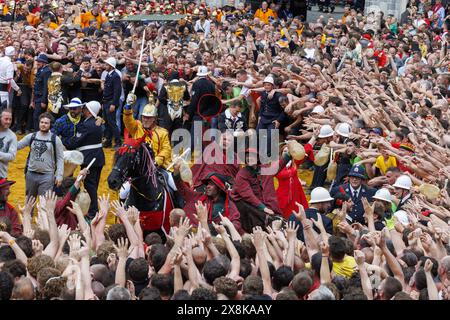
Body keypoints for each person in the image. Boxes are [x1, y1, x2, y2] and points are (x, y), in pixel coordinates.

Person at [66, 101, 105, 219]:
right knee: (94, 185)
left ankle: (93, 211)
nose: (82, 110)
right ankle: (93, 209)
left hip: (88, 159)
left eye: (85, 109)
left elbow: (76, 141)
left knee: (89, 186)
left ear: (89, 111)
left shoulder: (87, 125)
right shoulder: (98, 123)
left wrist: (64, 143)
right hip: (98, 158)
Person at [17, 112, 64, 197]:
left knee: (44, 203)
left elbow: (60, 158)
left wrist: (59, 175)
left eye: (46, 123)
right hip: (31, 173)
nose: (43, 125)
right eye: (42, 122)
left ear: (50, 125)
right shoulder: (32, 136)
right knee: (29, 201)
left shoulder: (55, 139)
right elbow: (17, 146)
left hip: (47, 175)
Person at [102, 57, 122, 148]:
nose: (105, 66)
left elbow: (117, 91)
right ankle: (108, 141)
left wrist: (114, 103)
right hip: (106, 102)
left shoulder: (116, 76)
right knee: (107, 123)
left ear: (111, 66)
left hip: (110, 102)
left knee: (112, 123)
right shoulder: (108, 75)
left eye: (107, 64)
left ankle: (118, 141)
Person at [32, 54, 52, 131]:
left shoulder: (47, 71)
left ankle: (38, 133)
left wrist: (43, 101)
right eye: (37, 61)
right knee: (36, 116)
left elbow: (45, 87)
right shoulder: (41, 70)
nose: (37, 63)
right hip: (37, 98)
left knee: (37, 117)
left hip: (41, 98)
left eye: (40, 61)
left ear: (44, 63)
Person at [0, 109, 17, 179]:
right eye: (6, 119)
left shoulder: (12, 136)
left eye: (10, 119)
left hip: (1, 176)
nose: (8, 122)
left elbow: (12, 156)